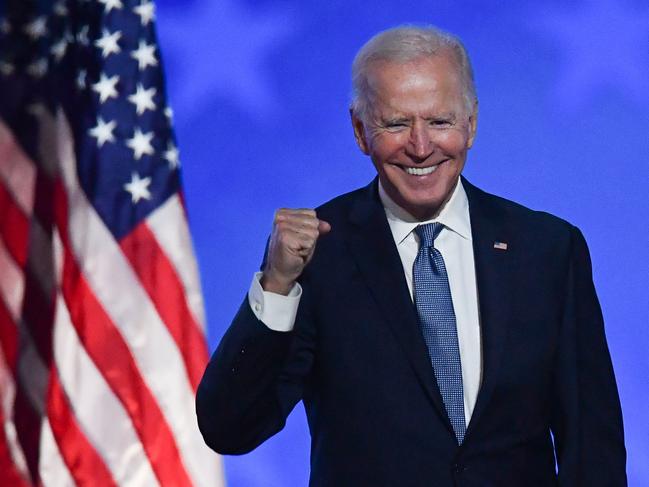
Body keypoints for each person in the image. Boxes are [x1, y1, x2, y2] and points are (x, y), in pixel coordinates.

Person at [196, 25, 626, 486]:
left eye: (439, 121)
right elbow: (229, 428)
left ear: (471, 123)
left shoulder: (547, 250)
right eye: (396, 124)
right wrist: (277, 285)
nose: (421, 147)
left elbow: (592, 448)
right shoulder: (319, 254)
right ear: (361, 131)